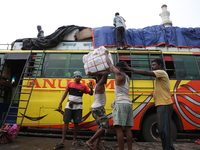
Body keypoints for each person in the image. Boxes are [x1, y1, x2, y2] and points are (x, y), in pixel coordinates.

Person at [124, 59, 176, 150]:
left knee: (164, 130)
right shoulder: (159, 78)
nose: (152, 66)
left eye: (154, 65)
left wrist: (131, 69)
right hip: (161, 104)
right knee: (162, 129)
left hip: (164, 104)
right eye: (152, 65)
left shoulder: (161, 72)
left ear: (160, 65)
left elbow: (146, 73)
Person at [54, 71, 94, 149]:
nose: (78, 77)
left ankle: (74, 140)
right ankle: (62, 141)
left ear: (81, 78)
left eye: (79, 76)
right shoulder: (70, 84)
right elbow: (65, 94)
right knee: (66, 122)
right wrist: (60, 103)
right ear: (74, 77)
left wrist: (91, 89)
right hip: (69, 106)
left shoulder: (84, 86)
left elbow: (91, 93)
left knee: (76, 124)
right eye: (76, 76)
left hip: (78, 107)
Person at [104, 50, 133, 150]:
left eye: (117, 67)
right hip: (128, 103)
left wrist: (106, 55)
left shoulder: (119, 75)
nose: (115, 68)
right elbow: (114, 67)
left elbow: (110, 65)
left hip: (121, 103)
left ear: (119, 68)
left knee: (118, 128)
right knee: (128, 128)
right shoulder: (127, 77)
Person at [85, 70, 110, 150]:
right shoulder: (99, 84)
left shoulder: (98, 84)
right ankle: (90, 141)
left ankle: (96, 146)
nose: (105, 79)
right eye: (102, 77)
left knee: (100, 127)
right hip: (98, 108)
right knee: (105, 126)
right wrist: (94, 73)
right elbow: (106, 73)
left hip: (97, 108)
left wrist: (94, 74)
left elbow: (103, 75)